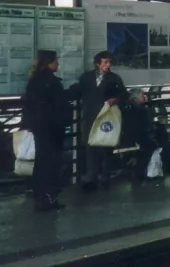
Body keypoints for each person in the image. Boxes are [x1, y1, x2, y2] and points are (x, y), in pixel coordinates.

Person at [22, 50, 73, 211]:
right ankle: (50, 199)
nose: (57, 63)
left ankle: (40, 197)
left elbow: (29, 105)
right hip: (52, 128)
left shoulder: (34, 80)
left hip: (39, 128)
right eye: (55, 60)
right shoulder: (52, 82)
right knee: (53, 163)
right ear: (48, 62)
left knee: (41, 162)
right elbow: (60, 103)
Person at [72, 51, 128, 191]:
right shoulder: (86, 78)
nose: (108, 65)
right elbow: (79, 92)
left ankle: (104, 176)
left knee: (105, 147)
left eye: (109, 62)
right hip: (90, 116)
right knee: (90, 146)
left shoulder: (114, 78)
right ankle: (91, 176)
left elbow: (123, 94)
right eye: (105, 62)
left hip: (105, 117)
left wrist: (116, 100)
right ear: (98, 63)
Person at [124, 88, 165, 182]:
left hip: (139, 135)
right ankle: (151, 172)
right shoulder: (139, 110)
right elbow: (143, 126)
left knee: (152, 145)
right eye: (142, 95)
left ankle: (150, 171)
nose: (145, 97)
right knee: (152, 146)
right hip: (139, 136)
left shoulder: (135, 108)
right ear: (136, 98)